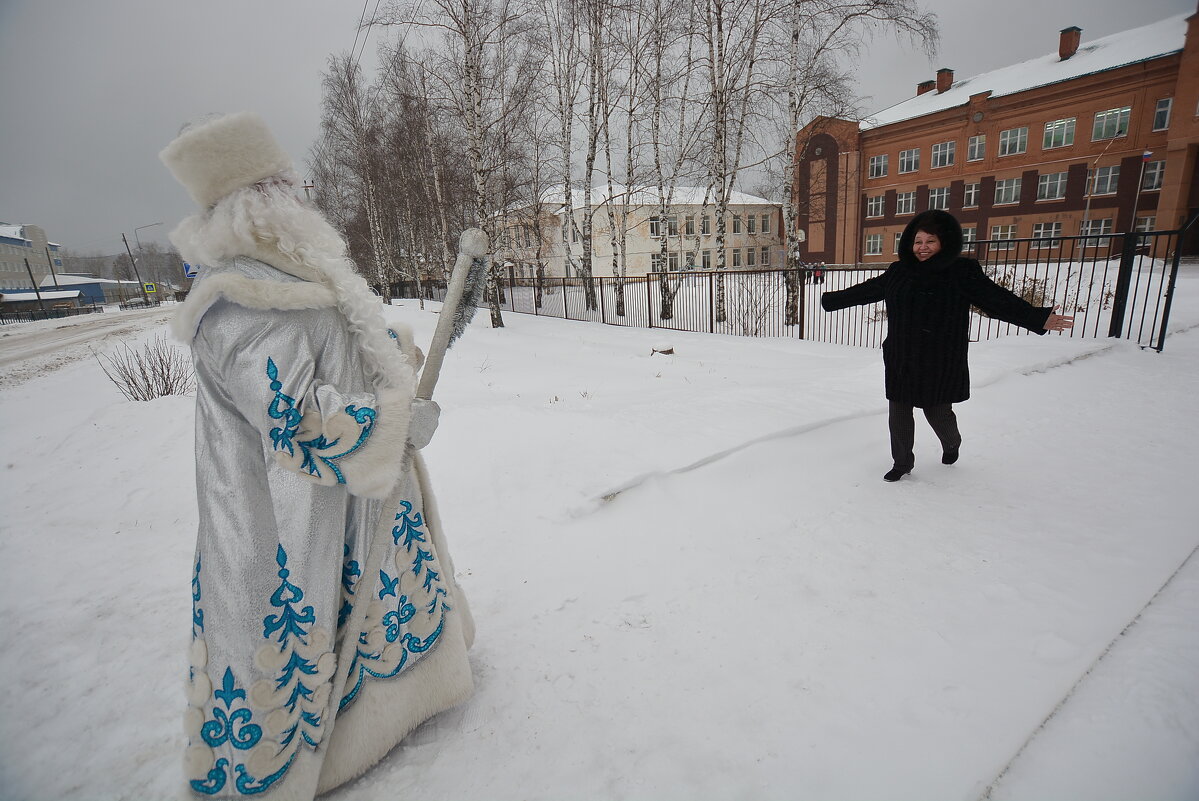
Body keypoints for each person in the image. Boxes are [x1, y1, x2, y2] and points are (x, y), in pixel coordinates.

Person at [161, 112, 475, 799]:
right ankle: (298, 766)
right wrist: (392, 420)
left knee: (371, 595)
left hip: (341, 498)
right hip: (282, 516)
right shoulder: (239, 302)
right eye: (284, 184)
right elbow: (296, 419)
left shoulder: (286, 270)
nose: (301, 191)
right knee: (292, 629)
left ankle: (397, 704)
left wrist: (394, 355)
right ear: (255, 205)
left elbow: (329, 347)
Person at [820, 209, 1073, 482]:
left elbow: (996, 300)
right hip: (901, 355)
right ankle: (902, 462)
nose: (923, 247)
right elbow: (866, 291)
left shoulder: (960, 271)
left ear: (944, 242)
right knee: (899, 411)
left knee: (937, 411)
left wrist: (1037, 317)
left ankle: (952, 443)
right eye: (918, 241)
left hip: (939, 359)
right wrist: (831, 300)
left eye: (930, 241)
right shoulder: (899, 271)